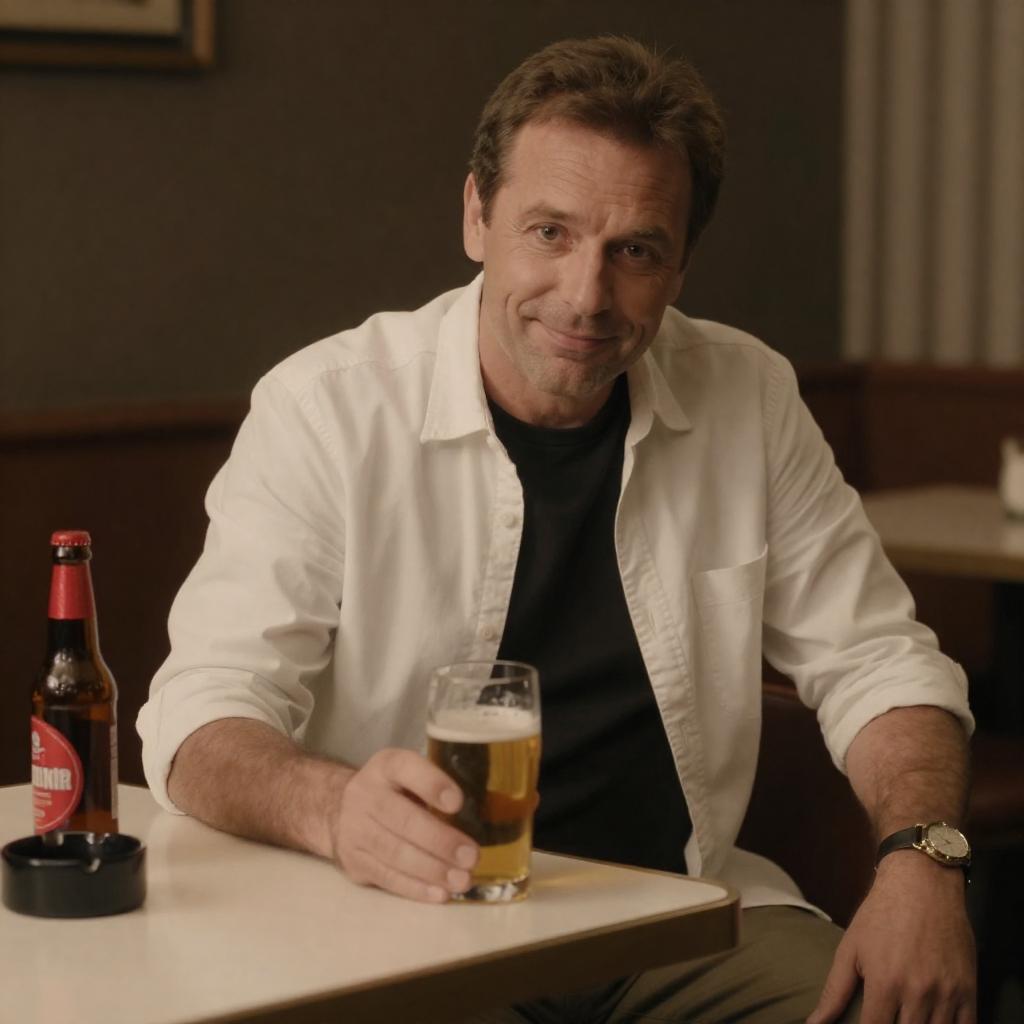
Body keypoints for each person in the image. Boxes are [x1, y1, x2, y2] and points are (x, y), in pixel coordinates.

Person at [138, 36, 976, 1024]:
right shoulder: (327, 409)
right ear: (476, 216)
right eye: (550, 232)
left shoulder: (747, 393)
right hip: (410, 923)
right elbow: (200, 717)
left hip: (673, 916)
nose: (586, 295)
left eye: (636, 250)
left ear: (681, 263)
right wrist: (331, 807)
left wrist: (924, 862)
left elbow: (878, 662)